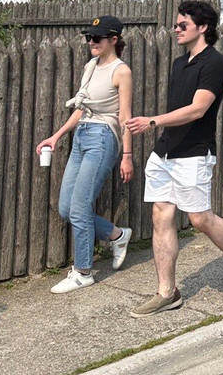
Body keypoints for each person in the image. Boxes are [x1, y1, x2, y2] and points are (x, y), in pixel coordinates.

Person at [124, 0, 223, 317]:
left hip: (195, 153)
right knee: (161, 216)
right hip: (165, 152)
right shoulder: (179, 63)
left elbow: (198, 109)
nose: (176, 29)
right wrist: (159, 132)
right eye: (176, 23)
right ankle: (167, 292)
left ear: (203, 28)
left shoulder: (214, 63)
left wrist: (153, 120)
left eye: (182, 24)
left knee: (199, 219)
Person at [36, 15, 134, 294]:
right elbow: (81, 108)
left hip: (103, 139)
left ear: (113, 40)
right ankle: (116, 235)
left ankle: (83, 271)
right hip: (81, 137)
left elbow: (125, 117)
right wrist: (56, 136)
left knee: (79, 209)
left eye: (97, 38)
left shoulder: (121, 71)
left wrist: (127, 155)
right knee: (66, 207)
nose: (91, 42)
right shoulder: (90, 66)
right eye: (89, 37)